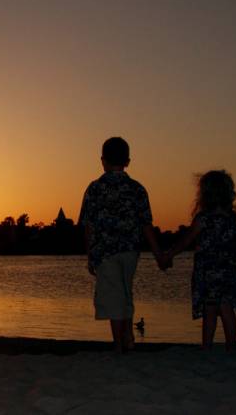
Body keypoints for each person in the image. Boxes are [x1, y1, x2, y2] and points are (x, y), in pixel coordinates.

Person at [78, 137, 165, 352]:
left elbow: (88, 225)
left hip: (105, 251)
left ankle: (119, 345)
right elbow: (146, 226)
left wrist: (90, 254)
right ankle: (128, 339)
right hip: (130, 251)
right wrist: (158, 254)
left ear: (102, 161)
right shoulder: (137, 189)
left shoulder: (95, 189)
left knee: (115, 297)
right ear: (128, 161)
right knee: (125, 292)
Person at [168, 170, 236, 351]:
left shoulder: (203, 219)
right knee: (227, 307)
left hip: (208, 272)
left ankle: (207, 346)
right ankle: (231, 345)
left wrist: (169, 255)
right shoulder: (231, 219)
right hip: (228, 270)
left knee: (210, 310)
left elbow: (186, 241)